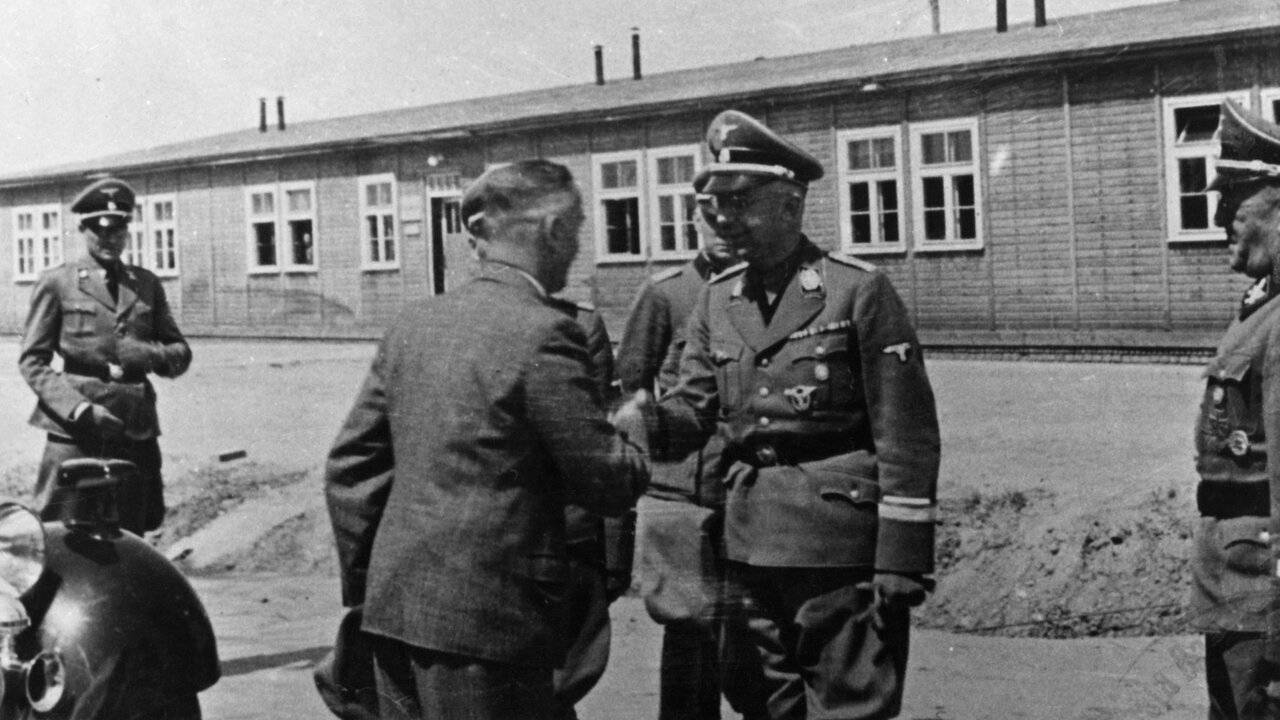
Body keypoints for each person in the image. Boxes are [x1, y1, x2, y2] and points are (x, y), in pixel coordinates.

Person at [616, 109, 940, 720]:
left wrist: (903, 556)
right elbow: (694, 407)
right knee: (763, 705)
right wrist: (647, 421)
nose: (722, 218)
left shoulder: (856, 291)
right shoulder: (719, 298)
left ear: (791, 206)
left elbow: (907, 432)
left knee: (849, 705)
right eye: (716, 205)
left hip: (836, 545)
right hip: (745, 541)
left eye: (740, 203)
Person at [324, 159, 648, 720]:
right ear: (553, 230)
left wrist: (370, 587)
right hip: (491, 628)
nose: (577, 250)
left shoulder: (414, 323)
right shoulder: (546, 331)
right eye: (576, 231)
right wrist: (633, 427)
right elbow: (605, 481)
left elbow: (351, 468)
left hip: (395, 612)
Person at [618, 179, 767, 720]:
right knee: (688, 632)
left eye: (735, 213)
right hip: (684, 490)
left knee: (756, 633)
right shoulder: (666, 294)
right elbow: (634, 386)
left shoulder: (765, 290)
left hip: (746, 483)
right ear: (694, 222)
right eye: (710, 217)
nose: (723, 229)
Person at [19, 177, 191, 535]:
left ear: (127, 231)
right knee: (61, 531)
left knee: (132, 531)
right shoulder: (58, 282)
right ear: (84, 229)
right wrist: (79, 409)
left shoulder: (146, 284)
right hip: (75, 429)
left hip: (134, 428)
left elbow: (180, 353)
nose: (110, 238)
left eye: (118, 229)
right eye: (100, 230)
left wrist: (149, 354)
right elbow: (32, 361)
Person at [1192, 98, 1280, 720]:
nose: (1219, 218)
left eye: (1234, 205)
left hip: (1265, 599)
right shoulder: (1261, 309)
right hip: (1238, 585)